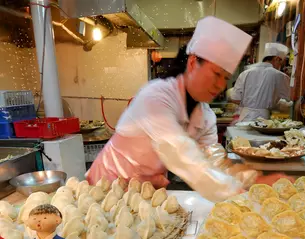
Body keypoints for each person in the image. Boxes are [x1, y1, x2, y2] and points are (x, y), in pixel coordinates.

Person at [86, 17, 290, 203]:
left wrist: (254, 180)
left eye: (225, 78)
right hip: (107, 187)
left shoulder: (206, 115)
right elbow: (183, 155)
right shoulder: (155, 97)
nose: (220, 85)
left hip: (145, 192)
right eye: (216, 74)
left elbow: (215, 161)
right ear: (193, 63)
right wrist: (237, 193)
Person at [228, 42, 291, 123]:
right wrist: (273, 103)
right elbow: (290, 99)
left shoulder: (245, 73)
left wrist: (250, 103)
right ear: (276, 59)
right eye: (280, 63)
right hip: (263, 119)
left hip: (244, 117)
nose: (280, 66)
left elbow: (235, 99)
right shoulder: (280, 76)